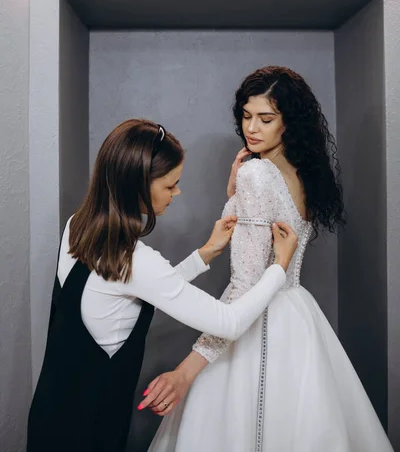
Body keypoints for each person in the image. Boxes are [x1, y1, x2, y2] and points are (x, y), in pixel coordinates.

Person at [145, 67, 394, 452]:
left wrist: (185, 372)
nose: (252, 128)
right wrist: (234, 191)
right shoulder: (305, 174)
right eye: (246, 116)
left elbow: (245, 285)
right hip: (297, 315)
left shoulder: (256, 174)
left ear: (288, 123)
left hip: (256, 323)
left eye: (266, 118)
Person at [26, 118, 298, 452]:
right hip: (90, 431)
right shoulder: (136, 260)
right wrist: (279, 267)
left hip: (48, 418)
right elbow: (229, 322)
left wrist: (204, 254)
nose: (177, 192)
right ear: (138, 185)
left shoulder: (78, 226)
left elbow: (129, 291)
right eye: (170, 185)